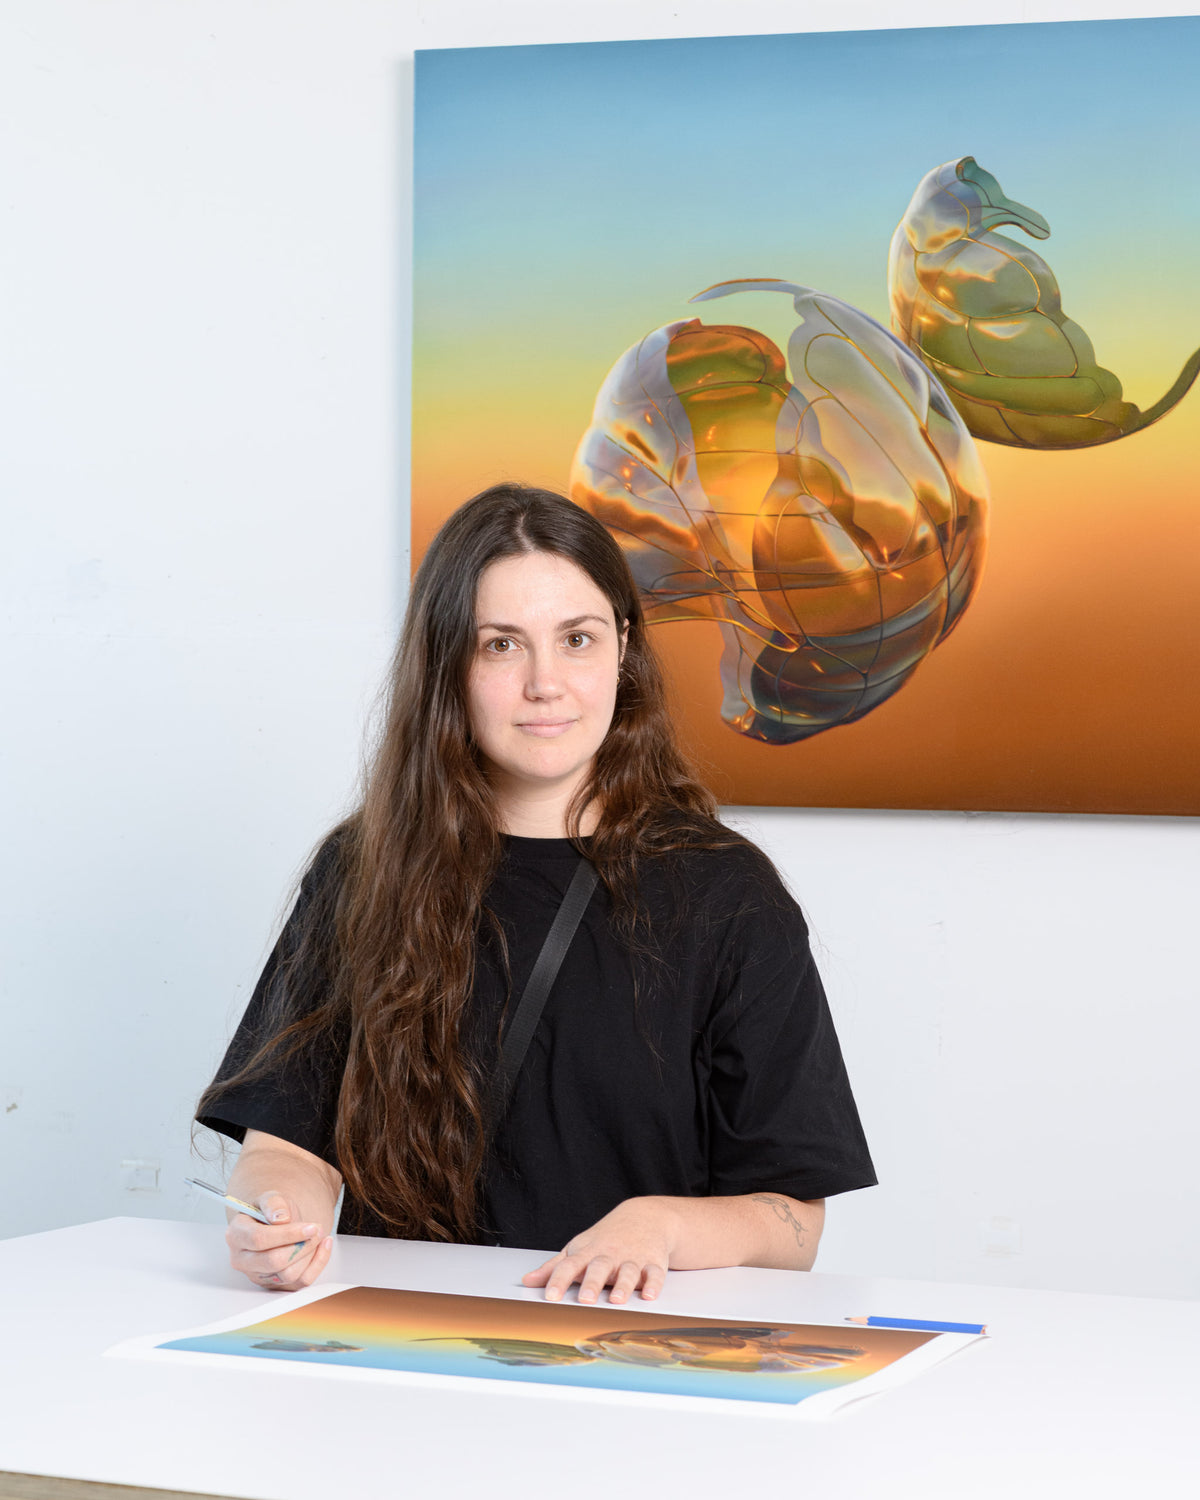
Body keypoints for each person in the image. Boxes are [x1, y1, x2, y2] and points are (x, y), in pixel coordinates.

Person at [197, 483, 876, 1305]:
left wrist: (657, 1225)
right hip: (406, 1348)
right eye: (501, 646)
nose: (545, 683)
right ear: (448, 662)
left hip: (627, 1350)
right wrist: (277, 1215)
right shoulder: (361, 867)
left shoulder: (727, 894)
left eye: (578, 639)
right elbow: (287, 1144)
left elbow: (793, 1222)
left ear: (623, 647)